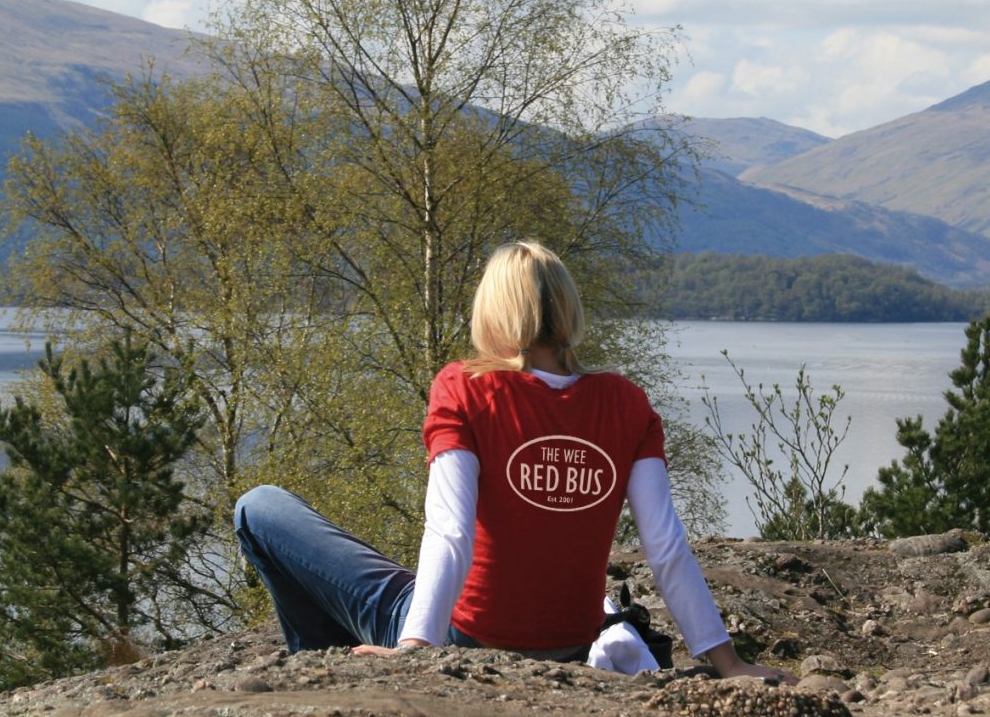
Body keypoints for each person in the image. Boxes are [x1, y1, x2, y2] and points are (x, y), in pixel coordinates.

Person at [234, 240, 793, 682]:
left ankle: (318, 666)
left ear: (493, 311)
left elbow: (450, 531)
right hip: (573, 643)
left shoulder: (463, 389)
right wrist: (730, 664)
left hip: (466, 640)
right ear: (567, 310)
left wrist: (415, 651)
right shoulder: (625, 401)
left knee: (260, 508)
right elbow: (666, 544)